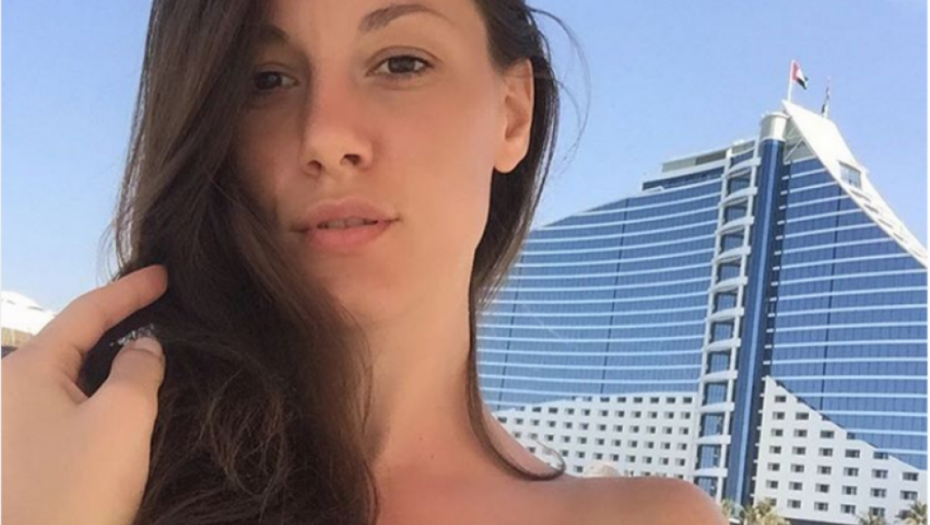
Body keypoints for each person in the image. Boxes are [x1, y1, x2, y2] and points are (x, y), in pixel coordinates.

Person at [2, 1, 728, 524]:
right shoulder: (59, 465)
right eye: (264, 79)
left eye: (401, 63)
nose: (325, 136)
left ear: (512, 114)